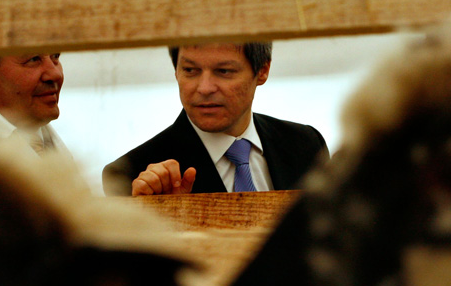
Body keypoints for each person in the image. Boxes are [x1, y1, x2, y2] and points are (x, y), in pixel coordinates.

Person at [102, 42, 329, 196]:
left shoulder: (306, 144)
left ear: (262, 70)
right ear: (175, 71)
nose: (205, 88)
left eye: (224, 71)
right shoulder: (132, 175)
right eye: (190, 70)